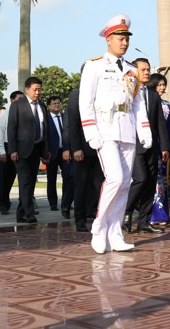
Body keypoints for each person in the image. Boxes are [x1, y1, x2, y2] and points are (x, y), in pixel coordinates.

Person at [79, 14, 152, 253]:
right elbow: (85, 101)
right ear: (108, 39)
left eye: (127, 38)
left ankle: (116, 231)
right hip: (106, 128)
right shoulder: (95, 65)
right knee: (115, 179)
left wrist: (144, 129)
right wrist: (90, 130)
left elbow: (138, 102)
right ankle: (99, 228)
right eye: (120, 38)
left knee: (125, 184)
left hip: (127, 129)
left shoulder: (131, 69)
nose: (124, 42)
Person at [124, 58, 170, 234]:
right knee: (140, 179)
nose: (146, 72)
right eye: (142, 69)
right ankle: (126, 212)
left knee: (150, 183)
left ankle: (144, 221)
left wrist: (165, 146)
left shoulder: (152, 95)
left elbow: (160, 123)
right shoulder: (127, 92)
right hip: (133, 145)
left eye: (148, 69)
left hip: (152, 145)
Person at [7, 77, 50, 224]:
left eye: (39, 89)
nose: (37, 92)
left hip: (37, 150)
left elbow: (46, 130)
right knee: (25, 182)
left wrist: (45, 152)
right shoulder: (17, 105)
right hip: (21, 150)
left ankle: (21, 213)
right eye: (34, 89)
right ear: (27, 90)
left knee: (30, 183)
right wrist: (12, 150)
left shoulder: (43, 106)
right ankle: (29, 213)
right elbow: (11, 129)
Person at [65, 79, 104, 232]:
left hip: (100, 148)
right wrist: (75, 148)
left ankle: (96, 215)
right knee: (80, 186)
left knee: (99, 184)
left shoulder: (101, 93)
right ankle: (80, 219)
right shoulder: (76, 95)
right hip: (82, 148)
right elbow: (73, 124)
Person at [147, 73, 170, 226]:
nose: (162, 88)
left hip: (163, 148)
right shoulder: (145, 102)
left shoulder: (167, 105)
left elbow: (168, 129)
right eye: (159, 85)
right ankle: (150, 214)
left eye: (164, 85)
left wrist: (169, 146)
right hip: (149, 146)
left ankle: (161, 213)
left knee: (162, 181)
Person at [45, 95, 73, 218]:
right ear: (49, 106)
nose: (57, 105)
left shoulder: (65, 117)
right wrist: (45, 153)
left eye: (58, 103)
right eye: (54, 103)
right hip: (52, 153)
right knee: (51, 179)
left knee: (68, 177)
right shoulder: (46, 119)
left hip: (65, 151)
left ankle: (66, 202)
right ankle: (53, 203)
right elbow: (44, 137)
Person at [0, 91, 24, 214]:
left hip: (21, 146)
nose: (21, 101)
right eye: (19, 99)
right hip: (7, 147)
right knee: (5, 178)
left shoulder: (24, 112)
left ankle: (25, 205)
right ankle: (3, 203)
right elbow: (0, 134)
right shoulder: (5, 114)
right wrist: (2, 151)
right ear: (12, 100)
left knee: (20, 177)